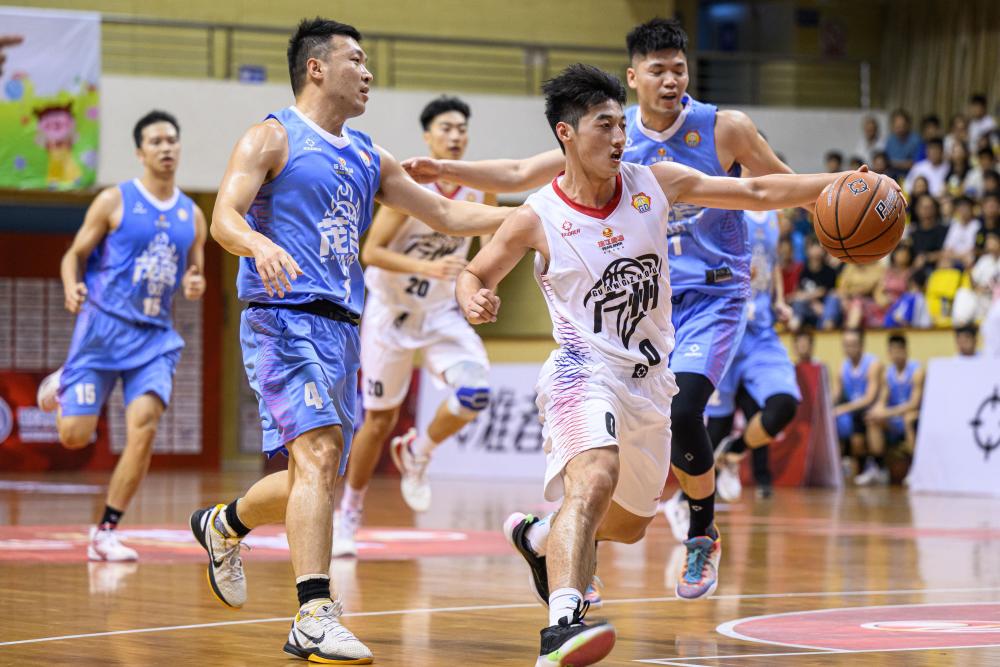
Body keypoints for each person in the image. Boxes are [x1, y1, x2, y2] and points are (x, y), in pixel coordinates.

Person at [454, 63, 848, 667]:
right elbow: (475, 271)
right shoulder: (538, 215)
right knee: (595, 477)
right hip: (581, 372)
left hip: (648, 382)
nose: (620, 137)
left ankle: (538, 537)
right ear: (566, 133)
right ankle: (561, 625)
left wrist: (844, 182)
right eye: (604, 125)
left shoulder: (655, 182)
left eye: (621, 124)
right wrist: (472, 296)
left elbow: (757, 193)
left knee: (629, 524)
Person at [401, 18, 805, 594]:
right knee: (622, 505)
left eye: (680, 69)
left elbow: (770, 187)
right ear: (634, 77)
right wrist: (447, 171)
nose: (671, 80)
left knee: (686, 409)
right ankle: (555, 547)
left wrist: (834, 194)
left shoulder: (721, 129)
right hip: (643, 303)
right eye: (658, 70)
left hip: (714, 294)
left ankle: (701, 532)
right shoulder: (613, 134)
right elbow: (521, 172)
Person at [186, 19, 508, 664]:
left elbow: (448, 214)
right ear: (316, 67)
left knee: (315, 475)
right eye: (355, 60)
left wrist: (539, 217)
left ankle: (224, 524)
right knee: (321, 452)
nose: (367, 73)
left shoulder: (369, 155)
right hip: (281, 315)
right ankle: (314, 614)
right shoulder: (271, 136)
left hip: (342, 327)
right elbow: (223, 217)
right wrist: (257, 243)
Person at [35, 110, 207, 561]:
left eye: (171, 140)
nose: (166, 148)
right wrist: (72, 285)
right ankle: (64, 384)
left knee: (144, 429)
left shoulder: (193, 215)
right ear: (140, 152)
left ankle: (106, 531)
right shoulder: (114, 200)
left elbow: (195, 270)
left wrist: (195, 283)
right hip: (101, 332)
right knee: (74, 436)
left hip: (154, 340)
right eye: (156, 141)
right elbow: (75, 254)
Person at [332, 95, 494, 557]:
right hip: (391, 311)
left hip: (440, 312)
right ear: (428, 136)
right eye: (446, 128)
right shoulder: (411, 187)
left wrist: (482, 290)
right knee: (379, 421)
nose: (455, 136)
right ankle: (350, 512)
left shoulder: (481, 190)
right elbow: (371, 253)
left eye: (461, 128)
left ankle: (419, 451)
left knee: (476, 392)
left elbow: (490, 254)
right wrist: (429, 268)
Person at [706, 210, 801, 502]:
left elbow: (771, 263)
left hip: (760, 334)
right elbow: (704, 265)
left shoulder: (774, 217)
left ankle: (733, 453)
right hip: (724, 330)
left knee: (784, 404)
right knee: (716, 427)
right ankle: (689, 504)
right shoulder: (724, 206)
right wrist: (733, 278)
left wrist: (779, 300)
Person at [832, 329, 884, 485]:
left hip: (870, 408)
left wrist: (843, 409)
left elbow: (869, 398)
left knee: (868, 419)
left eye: (853, 344)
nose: (849, 348)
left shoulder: (873, 364)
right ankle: (838, 465)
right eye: (846, 345)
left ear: (861, 345)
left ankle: (878, 466)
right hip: (853, 411)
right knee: (832, 420)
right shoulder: (842, 367)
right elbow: (835, 395)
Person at [865, 334, 923, 463]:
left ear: (906, 350)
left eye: (899, 350)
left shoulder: (917, 371)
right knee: (872, 419)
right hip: (895, 418)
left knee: (908, 419)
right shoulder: (887, 374)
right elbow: (882, 399)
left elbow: (914, 403)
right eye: (893, 351)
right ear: (889, 353)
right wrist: (877, 410)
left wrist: (888, 412)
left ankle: (916, 464)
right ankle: (878, 465)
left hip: (913, 415)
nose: (896, 355)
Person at [884, 109, 922, 179]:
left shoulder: (916, 140)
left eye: (903, 125)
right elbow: (886, 162)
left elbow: (917, 163)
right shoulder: (890, 140)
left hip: (912, 175)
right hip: (892, 175)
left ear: (908, 125)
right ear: (893, 126)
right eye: (897, 126)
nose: (900, 129)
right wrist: (904, 163)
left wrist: (895, 163)